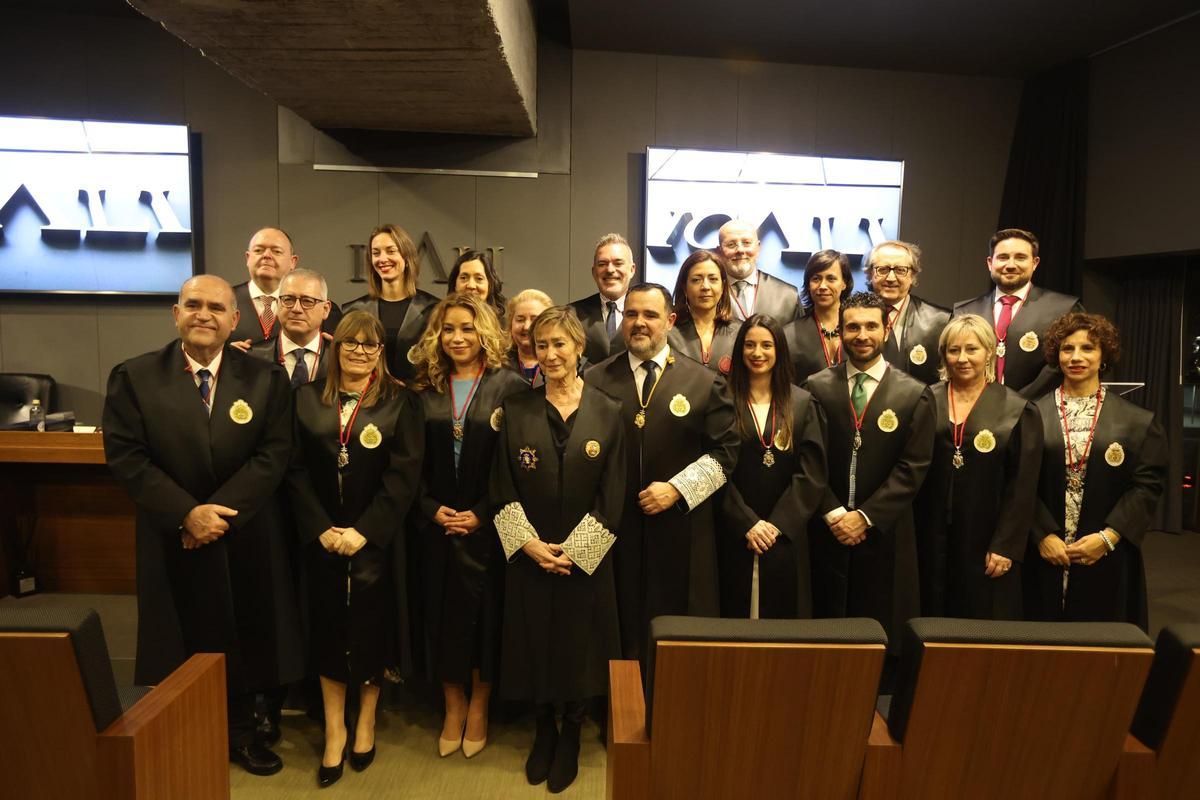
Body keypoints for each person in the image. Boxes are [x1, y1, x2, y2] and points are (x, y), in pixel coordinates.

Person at [102, 275, 302, 776]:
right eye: (194, 305)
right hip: (173, 536)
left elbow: (274, 454)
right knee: (175, 638)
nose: (204, 315)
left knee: (242, 637)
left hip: (243, 533)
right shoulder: (135, 376)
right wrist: (186, 514)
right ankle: (178, 734)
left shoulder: (266, 379)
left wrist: (217, 514)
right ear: (176, 313)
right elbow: (127, 457)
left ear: (236, 320)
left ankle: (240, 734)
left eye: (217, 307)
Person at [287, 312, 424, 787]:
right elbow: (294, 469)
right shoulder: (304, 399)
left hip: (375, 541)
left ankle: (365, 720)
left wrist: (364, 531)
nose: (360, 352)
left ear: (381, 353)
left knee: (370, 630)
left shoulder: (399, 402)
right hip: (322, 538)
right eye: (351, 344)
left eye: (370, 345)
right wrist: (321, 527)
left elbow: (403, 476)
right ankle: (333, 731)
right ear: (335, 347)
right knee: (327, 629)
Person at [492, 305, 625, 793]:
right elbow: (501, 484)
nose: (549, 354)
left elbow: (614, 493)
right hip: (531, 553)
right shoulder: (517, 408)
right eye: (541, 344)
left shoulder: (608, 411)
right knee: (536, 640)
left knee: (578, 643)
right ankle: (543, 726)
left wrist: (577, 551)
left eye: (559, 344)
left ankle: (571, 727)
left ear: (579, 348)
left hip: (585, 559)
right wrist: (528, 544)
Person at [584, 283, 739, 660]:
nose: (639, 323)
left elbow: (726, 453)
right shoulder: (594, 380)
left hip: (680, 527)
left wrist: (677, 489)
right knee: (616, 623)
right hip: (613, 527)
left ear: (670, 321)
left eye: (650, 315)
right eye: (632, 314)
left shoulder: (704, 381)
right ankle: (617, 706)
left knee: (676, 628)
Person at [410, 293, 526, 757]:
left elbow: (516, 464)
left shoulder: (510, 386)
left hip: (489, 526)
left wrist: (483, 510)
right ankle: (452, 704)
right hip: (435, 524)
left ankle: (479, 705)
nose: (457, 338)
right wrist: (429, 507)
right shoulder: (423, 389)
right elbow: (407, 463)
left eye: (467, 328)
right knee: (440, 617)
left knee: (485, 619)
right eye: (449, 329)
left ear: (485, 332)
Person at [805, 291, 934, 655]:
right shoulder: (815, 388)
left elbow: (914, 466)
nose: (862, 335)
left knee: (879, 638)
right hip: (825, 528)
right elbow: (807, 460)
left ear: (886, 329)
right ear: (839, 332)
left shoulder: (914, 394)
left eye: (870, 326)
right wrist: (833, 512)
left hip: (885, 532)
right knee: (824, 637)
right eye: (853, 327)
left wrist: (865, 517)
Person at [1024, 313, 1167, 630]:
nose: (1076, 357)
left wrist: (1108, 537)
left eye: (1087, 348)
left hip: (1106, 552)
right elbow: (1018, 483)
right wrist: (1041, 534)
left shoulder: (1137, 421)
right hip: (1044, 551)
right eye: (1067, 348)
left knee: (1097, 650)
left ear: (1104, 355)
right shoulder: (1029, 414)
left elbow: (1146, 487)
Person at [913, 315, 1042, 619]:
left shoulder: (1017, 409)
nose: (962, 358)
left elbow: (1022, 486)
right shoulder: (924, 400)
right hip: (928, 533)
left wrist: (1006, 545)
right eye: (953, 350)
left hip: (987, 536)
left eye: (972, 349)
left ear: (989, 352)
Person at [719, 313, 826, 619]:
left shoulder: (803, 403)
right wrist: (746, 522)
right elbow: (714, 468)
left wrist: (778, 524)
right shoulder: (723, 400)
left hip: (785, 532)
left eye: (766, 345)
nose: (757, 353)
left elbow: (812, 474)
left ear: (779, 350)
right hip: (735, 529)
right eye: (750, 345)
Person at [953, 228, 1083, 399]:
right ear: (990, 263)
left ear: (1035, 263)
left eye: (1020, 257)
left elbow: (1062, 364)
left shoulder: (1064, 309)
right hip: (975, 409)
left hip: (1039, 411)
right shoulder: (964, 312)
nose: (1011, 265)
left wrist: (1016, 405)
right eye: (1003, 257)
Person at [344, 224, 439, 383]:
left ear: (406, 257)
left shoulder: (433, 309)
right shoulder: (354, 311)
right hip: (369, 400)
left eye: (391, 251)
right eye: (376, 253)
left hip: (418, 400)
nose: (382, 259)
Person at [231, 227, 342, 346]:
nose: (266, 255)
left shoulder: (320, 308)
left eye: (276, 251)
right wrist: (224, 353)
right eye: (259, 250)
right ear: (248, 258)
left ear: (292, 261)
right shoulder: (225, 301)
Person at [865, 240, 950, 386]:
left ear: (912, 275)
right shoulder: (851, 318)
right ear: (869, 273)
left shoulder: (941, 321)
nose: (891, 278)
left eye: (900, 270)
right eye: (883, 269)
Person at [248, 268, 333, 387]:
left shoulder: (340, 358)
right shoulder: (251, 358)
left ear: (325, 309)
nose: (296, 309)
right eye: (288, 300)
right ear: (277, 304)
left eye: (307, 301)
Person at [667, 249, 741, 374]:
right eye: (696, 280)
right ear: (684, 287)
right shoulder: (668, 330)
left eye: (713, 279)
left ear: (723, 287)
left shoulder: (740, 331)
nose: (705, 287)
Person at [570, 233, 637, 364]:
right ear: (594, 272)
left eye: (618, 263)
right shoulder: (571, 315)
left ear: (632, 270)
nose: (610, 270)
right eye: (602, 264)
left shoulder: (647, 316)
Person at [717, 218, 801, 323]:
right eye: (731, 244)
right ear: (719, 252)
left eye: (746, 243)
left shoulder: (788, 295)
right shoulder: (706, 294)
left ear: (758, 247)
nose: (740, 250)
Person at [788, 250, 852, 383]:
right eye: (816, 279)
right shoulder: (790, 333)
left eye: (831, 278)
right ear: (808, 284)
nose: (822, 286)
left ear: (844, 283)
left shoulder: (860, 328)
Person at [506, 288, 554, 385]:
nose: (527, 327)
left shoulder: (561, 363)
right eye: (520, 320)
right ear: (511, 323)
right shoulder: (496, 364)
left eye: (535, 320)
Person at [447, 249, 507, 322]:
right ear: (454, 284)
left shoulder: (505, 329)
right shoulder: (440, 322)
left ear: (490, 285)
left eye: (479, 278)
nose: (471, 285)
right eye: (464, 278)